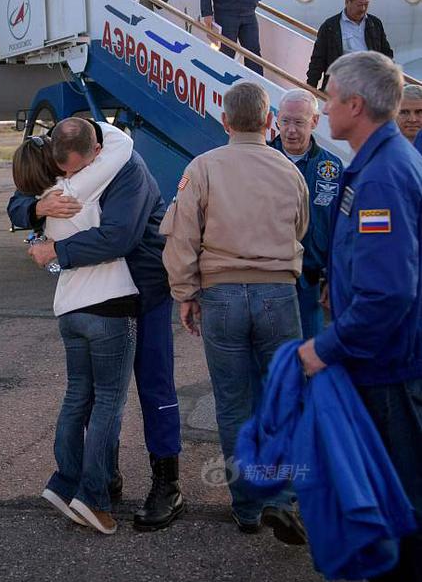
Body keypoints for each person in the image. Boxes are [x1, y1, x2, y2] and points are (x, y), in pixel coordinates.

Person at [8, 121, 185, 533]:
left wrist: (54, 249)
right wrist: (37, 208)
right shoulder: (62, 152)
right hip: (102, 296)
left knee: (152, 384)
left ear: (95, 151)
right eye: (61, 170)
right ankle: (104, 477)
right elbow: (19, 198)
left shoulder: (127, 169)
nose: (67, 179)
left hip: (144, 286)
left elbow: (118, 237)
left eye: (73, 169)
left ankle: (167, 482)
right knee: (102, 393)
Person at [160, 81, 308, 542]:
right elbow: (301, 225)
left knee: (233, 404)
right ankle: (281, 499)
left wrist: (185, 292)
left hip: (221, 295)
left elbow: (181, 238)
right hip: (278, 295)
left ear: (224, 121)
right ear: (269, 123)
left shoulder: (202, 168)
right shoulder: (289, 171)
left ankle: (246, 506)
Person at [298, 51, 422, 581]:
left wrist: (323, 347)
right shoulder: (377, 162)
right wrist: (336, 283)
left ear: (355, 104)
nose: (323, 109)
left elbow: (388, 294)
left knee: (402, 499)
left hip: (389, 368)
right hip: (383, 360)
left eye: (328, 98)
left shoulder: (381, 178)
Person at [270, 89, 342, 340]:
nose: (290, 130)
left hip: (310, 284)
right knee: (272, 364)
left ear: (314, 121)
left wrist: (334, 277)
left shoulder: (331, 168)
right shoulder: (261, 161)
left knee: (309, 360)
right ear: (276, 119)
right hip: (267, 282)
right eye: (285, 121)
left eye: (299, 122)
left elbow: (339, 229)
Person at [306, 0, 393, 89]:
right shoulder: (330, 27)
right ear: (347, 2)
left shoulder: (375, 24)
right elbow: (318, 60)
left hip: (369, 84)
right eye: (359, 5)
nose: (363, 9)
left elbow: (386, 54)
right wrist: (311, 87)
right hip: (341, 84)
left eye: (366, 4)